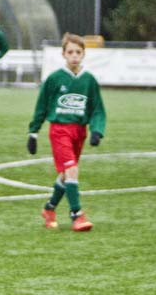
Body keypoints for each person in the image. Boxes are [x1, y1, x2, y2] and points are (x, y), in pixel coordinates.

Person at [27, 33, 106, 232]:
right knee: (71, 169)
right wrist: (33, 133)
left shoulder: (89, 80)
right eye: (70, 52)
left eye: (78, 52)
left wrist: (97, 130)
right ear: (63, 54)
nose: (74, 56)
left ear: (83, 54)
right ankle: (76, 214)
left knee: (65, 174)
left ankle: (49, 208)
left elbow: (97, 109)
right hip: (59, 130)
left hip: (80, 131)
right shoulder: (54, 79)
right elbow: (42, 106)